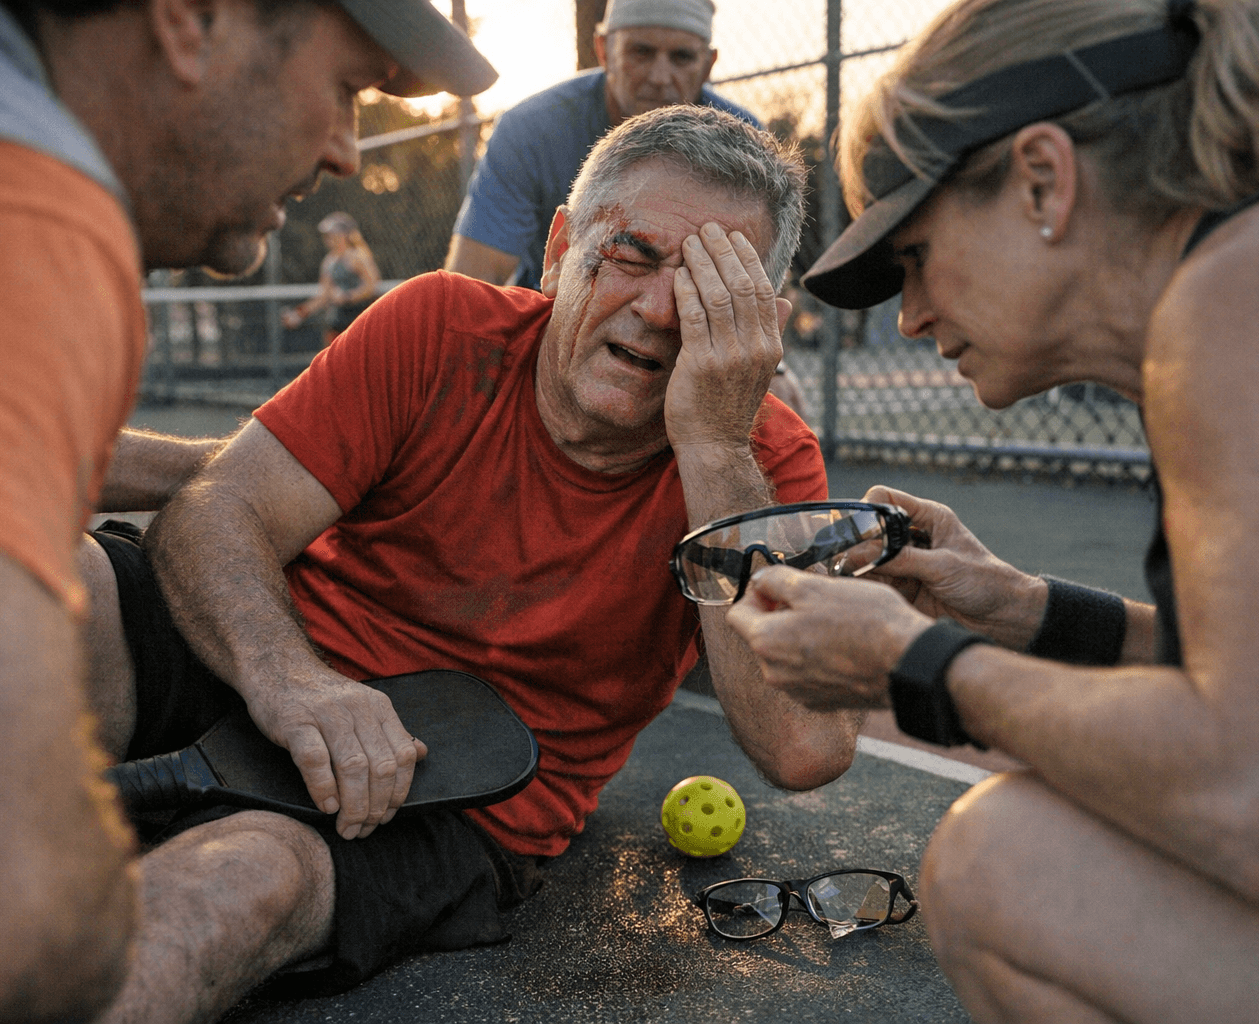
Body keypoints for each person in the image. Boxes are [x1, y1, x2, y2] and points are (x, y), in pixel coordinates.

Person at [76, 105, 860, 1020]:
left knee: (235, 885)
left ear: (756, 322)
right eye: (633, 255)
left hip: (463, 792)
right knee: (53, 586)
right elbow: (217, 509)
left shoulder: (767, 464)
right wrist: (292, 681)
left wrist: (716, 445)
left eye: (705, 291)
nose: (656, 310)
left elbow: (803, 747)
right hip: (266, 662)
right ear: (563, 246)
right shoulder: (439, 326)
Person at [725, 0, 1259, 1019]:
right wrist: (1020, 608)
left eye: (915, 255)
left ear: (1043, 176)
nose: (908, 315)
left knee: (1006, 869)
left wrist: (908, 663)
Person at [0, 0, 495, 1020]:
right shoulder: (2, 195)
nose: (345, 151)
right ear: (192, 18)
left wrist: (250, 468)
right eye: (346, 89)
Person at [443, 0, 759, 291]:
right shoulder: (531, 131)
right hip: (551, 318)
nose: (661, 77)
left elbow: (758, 278)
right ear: (604, 50)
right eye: (641, 52)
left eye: (682, 57)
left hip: (687, 325)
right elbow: (473, 282)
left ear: (708, 65)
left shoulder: (745, 146)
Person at [281, 211, 383, 346]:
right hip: (338, 322)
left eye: (334, 234)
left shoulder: (358, 256)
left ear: (345, 234)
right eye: (327, 235)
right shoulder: (329, 261)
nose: (329, 239)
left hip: (361, 320)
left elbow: (371, 286)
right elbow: (324, 296)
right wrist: (299, 314)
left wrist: (348, 297)